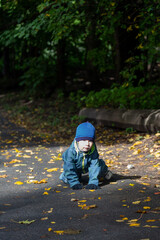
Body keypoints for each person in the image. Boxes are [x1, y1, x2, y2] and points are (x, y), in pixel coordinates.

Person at [59, 122, 113, 190]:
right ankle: (65, 176)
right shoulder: (70, 152)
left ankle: (105, 171)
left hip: (87, 165)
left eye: (90, 141)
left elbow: (94, 165)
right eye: (84, 140)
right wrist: (74, 183)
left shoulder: (93, 149)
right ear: (78, 141)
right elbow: (69, 167)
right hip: (76, 167)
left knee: (99, 165)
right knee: (69, 176)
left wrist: (93, 182)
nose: (87, 144)